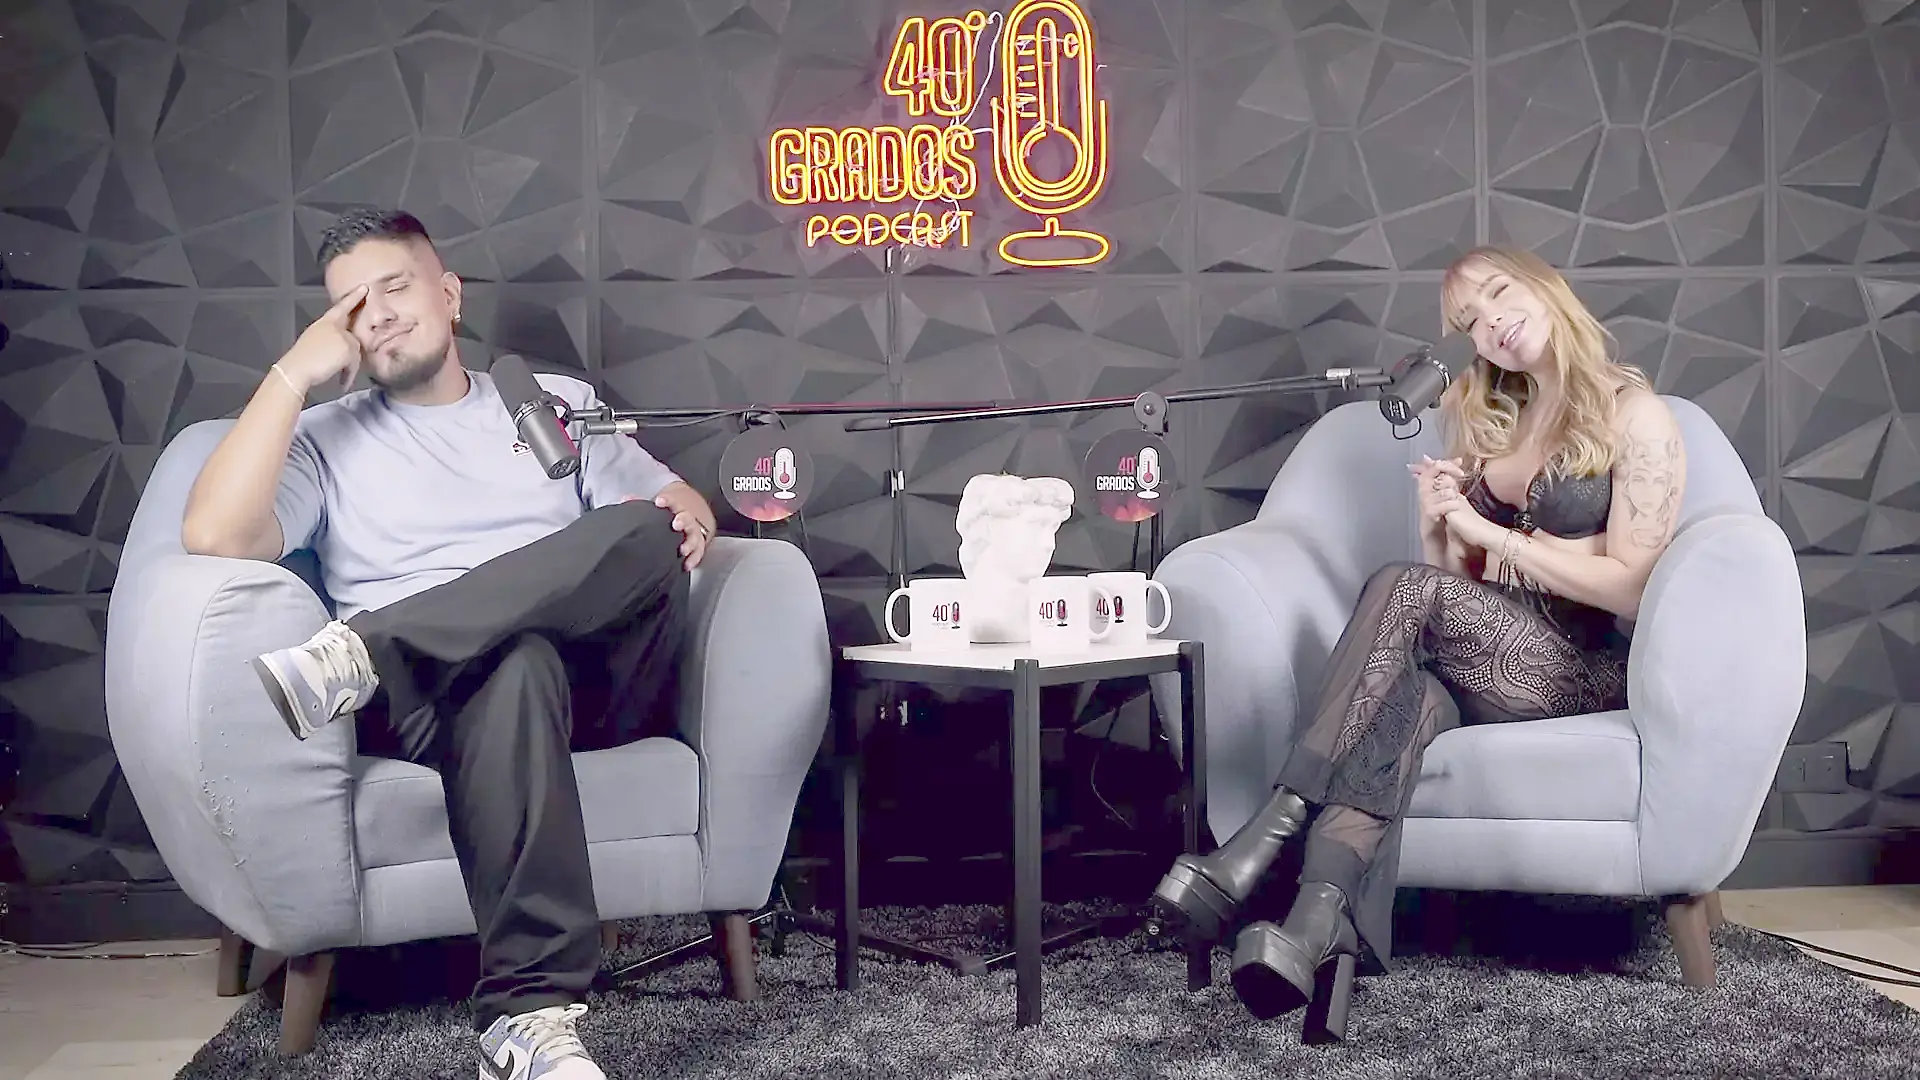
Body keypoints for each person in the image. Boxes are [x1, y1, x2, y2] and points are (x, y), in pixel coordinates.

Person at [180, 208, 717, 1080]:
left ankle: (367, 649)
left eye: (395, 287)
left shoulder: (551, 404)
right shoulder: (325, 439)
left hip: (592, 680)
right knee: (514, 661)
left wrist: (691, 513)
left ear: (450, 294)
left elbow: (671, 506)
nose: (380, 314)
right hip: (439, 703)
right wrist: (292, 375)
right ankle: (528, 1019)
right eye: (353, 305)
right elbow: (214, 534)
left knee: (645, 532)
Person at [1149, 245, 1688, 1041]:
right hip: (1482, 654)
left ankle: (1265, 837)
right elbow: (1454, 581)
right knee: (1405, 697)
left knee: (1403, 589)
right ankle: (1314, 925)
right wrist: (1443, 522)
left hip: (1575, 667)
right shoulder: (1493, 414)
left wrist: (1492, 538)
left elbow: (1631, 586)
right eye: (1471, 321)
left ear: (1544, 287)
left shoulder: (1635, 414)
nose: (1492, 324)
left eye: (1499, 294)